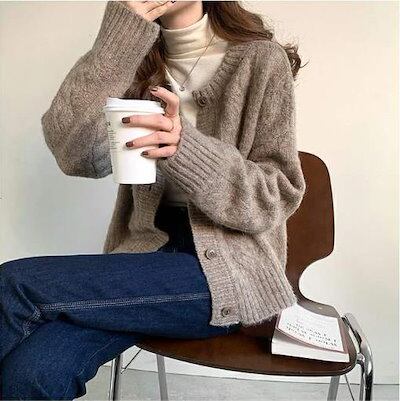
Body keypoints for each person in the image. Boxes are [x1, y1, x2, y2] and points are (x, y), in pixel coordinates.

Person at [0, 1, 307, 399]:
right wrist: (116, 42)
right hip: (144, 254)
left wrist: (184, 147)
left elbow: (275, 195)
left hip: (231, 270)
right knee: (30, 374)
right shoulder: (132, 58)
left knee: (15, 283)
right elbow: (74, 155)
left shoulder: (261, 61)